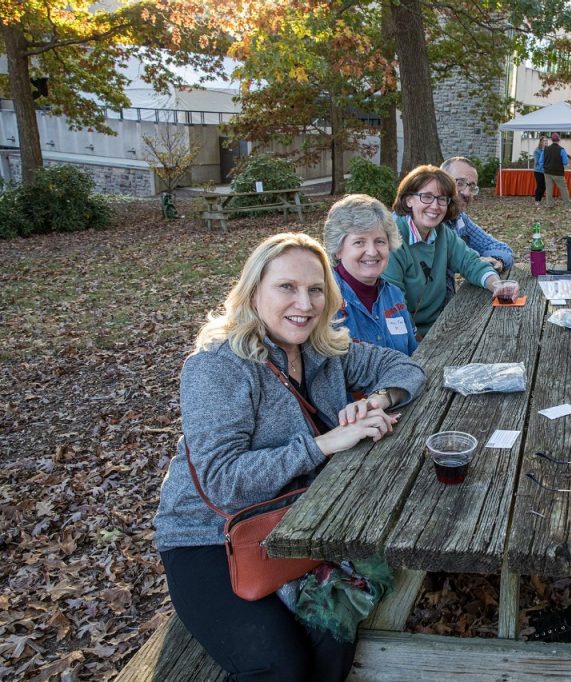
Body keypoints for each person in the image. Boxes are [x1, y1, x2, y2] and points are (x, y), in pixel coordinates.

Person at [154, 232, 426, 682]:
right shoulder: (217, 366)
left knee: (333, 629)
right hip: (209, 536)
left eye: (316, 289)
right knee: (279, 666)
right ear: (253, 290)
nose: (305, 302)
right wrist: (323, 444)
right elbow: (222, 480)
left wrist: (379, 398)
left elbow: (407, 367)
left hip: (296, 521)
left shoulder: (324, 350)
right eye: (287, 287)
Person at [382, 165, 501, 336]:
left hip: (440, 326)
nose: (435, 206)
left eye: (442, 199)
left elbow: (471, 263)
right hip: (406, 337)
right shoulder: (392, 240)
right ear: (409, 199)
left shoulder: (442, 233)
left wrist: (496, 284)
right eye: (427, 197)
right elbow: (394, 308)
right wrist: (419, 341)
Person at [323, 195, 418, 355]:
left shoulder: (394, 295)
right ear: (338, 249)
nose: (372, 252)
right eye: (359, 242)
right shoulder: (324, 300)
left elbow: (412, 353)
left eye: (380, 241)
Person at [441, 156, 514, 299]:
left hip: (447, 307)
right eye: (459, 183)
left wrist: (496, 259)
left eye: (472, 187)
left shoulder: (460, 219)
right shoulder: (425, 224)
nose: (467, 193)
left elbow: (504, 250)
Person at [543, 132, 571, 206]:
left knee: (549, 189)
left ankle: (549, 204)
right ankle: (567, 203)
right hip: (558, 173)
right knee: (563, 188)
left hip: (547, 172)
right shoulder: (561, 150)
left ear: (551, 140)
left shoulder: (546, 149)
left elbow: (541, 161)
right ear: (559, 140)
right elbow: (565, 162)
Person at [533, 136, 548, 207]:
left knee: (544, 186)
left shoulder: (548, 150)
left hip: (546, 171)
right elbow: (537, 161)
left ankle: (539, 200)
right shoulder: (537, 150)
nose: (546, 142)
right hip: (538, 171)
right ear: (541, 142)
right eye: (544, 140)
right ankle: (537, 200)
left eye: (546, 140)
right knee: (540, 186)